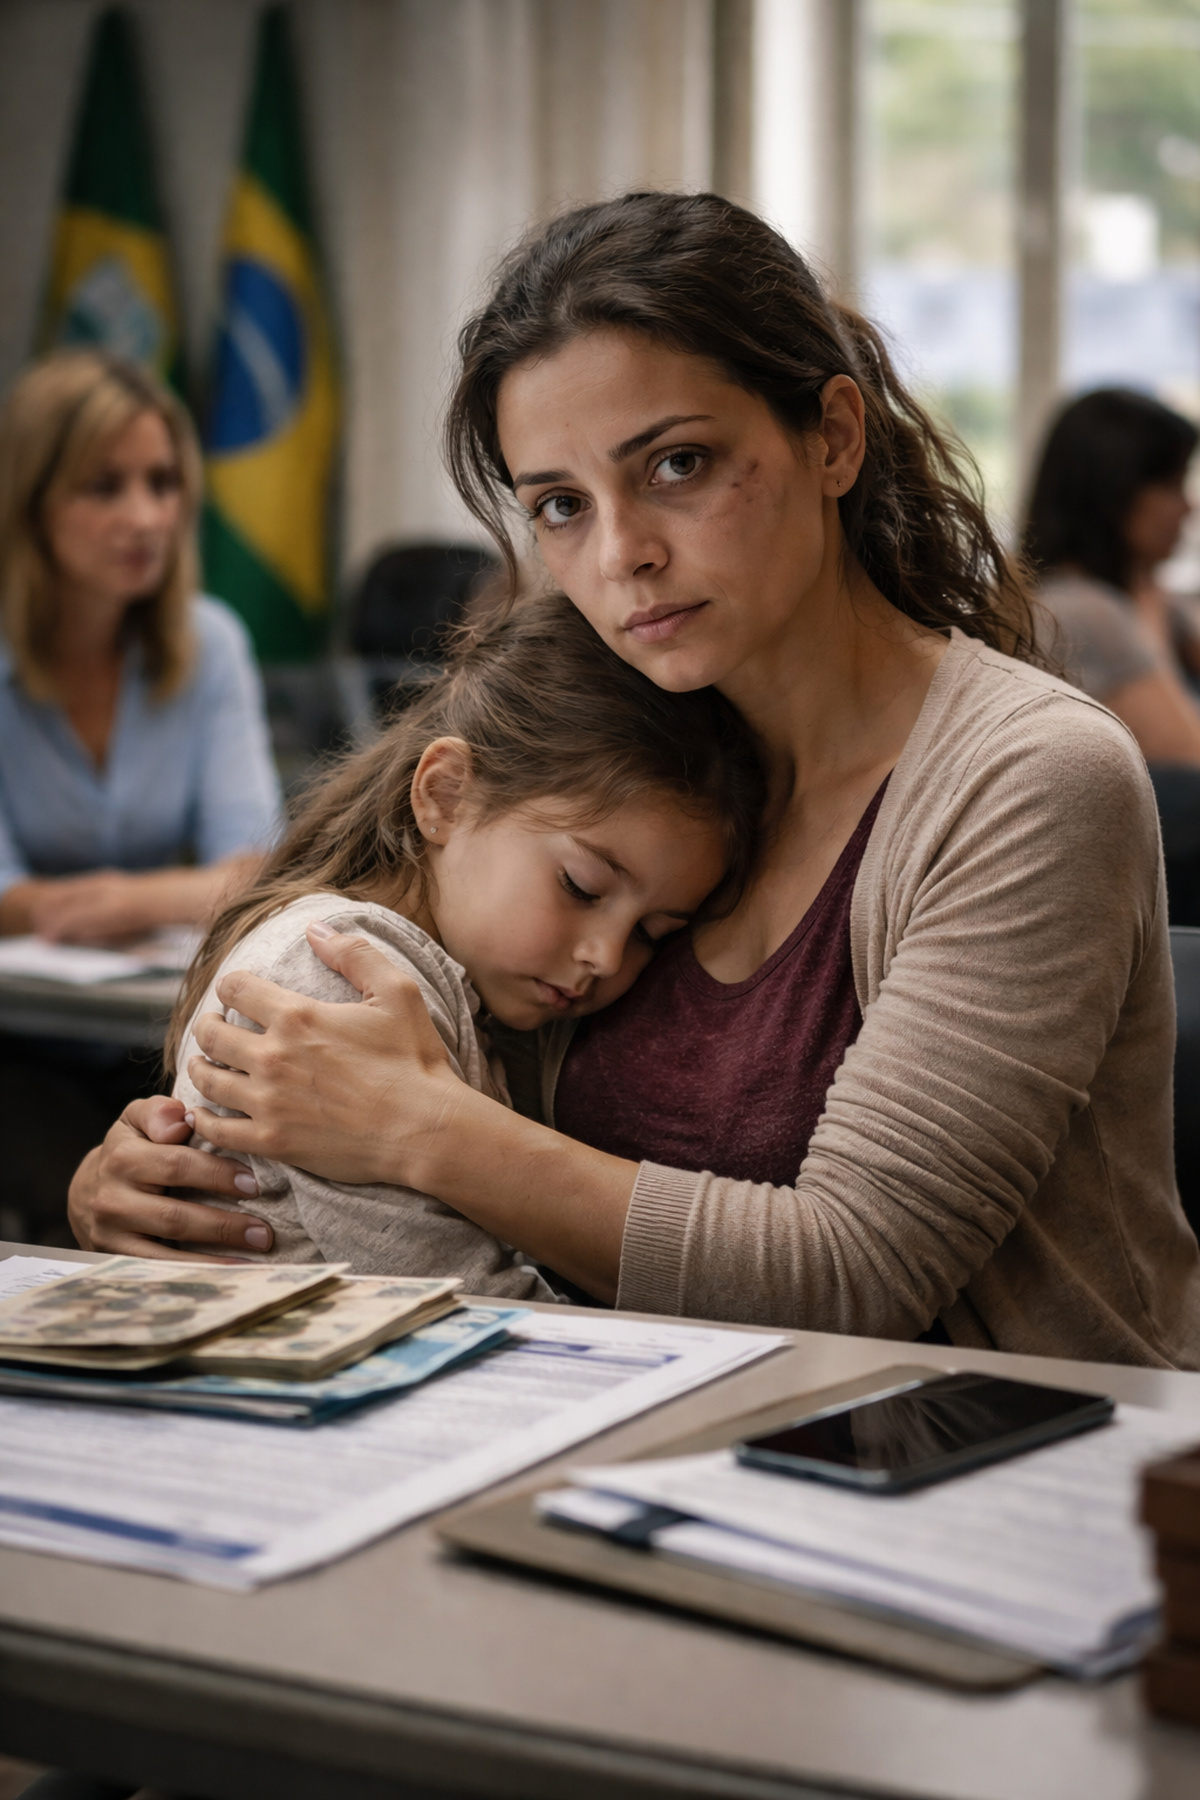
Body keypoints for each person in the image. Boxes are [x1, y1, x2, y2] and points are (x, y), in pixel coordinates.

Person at [71, 192, 1200, 1369]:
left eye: (678, 464)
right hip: (621, 1435)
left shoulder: (1030, 776)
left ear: (834, 440)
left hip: (1004, 1470)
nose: (620, 557)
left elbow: (857, 1276)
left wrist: (422, 1131)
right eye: (561, 505)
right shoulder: (634, 750)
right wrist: (180, 1188)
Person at [169, 591, 761, 1297]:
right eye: (581, 885)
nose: (606, 957)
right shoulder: (335, 972)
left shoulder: (460, 982)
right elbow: (460, 1304)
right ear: (445, 796)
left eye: (650, 933)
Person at [0, 349, 281, 1239]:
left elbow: (261, 869)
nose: (146, 516)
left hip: (156, 1039)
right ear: (32, 502)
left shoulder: (212, 644)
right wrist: (168, 894)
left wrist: (123, 901)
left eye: (162, 484)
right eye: (105, 486)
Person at [1025, 387, 1200, 922]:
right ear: (1115, 494)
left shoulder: (1140, 602)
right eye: (1170, 485)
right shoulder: (1081, 611)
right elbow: (1191, 756)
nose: (1187, 505)